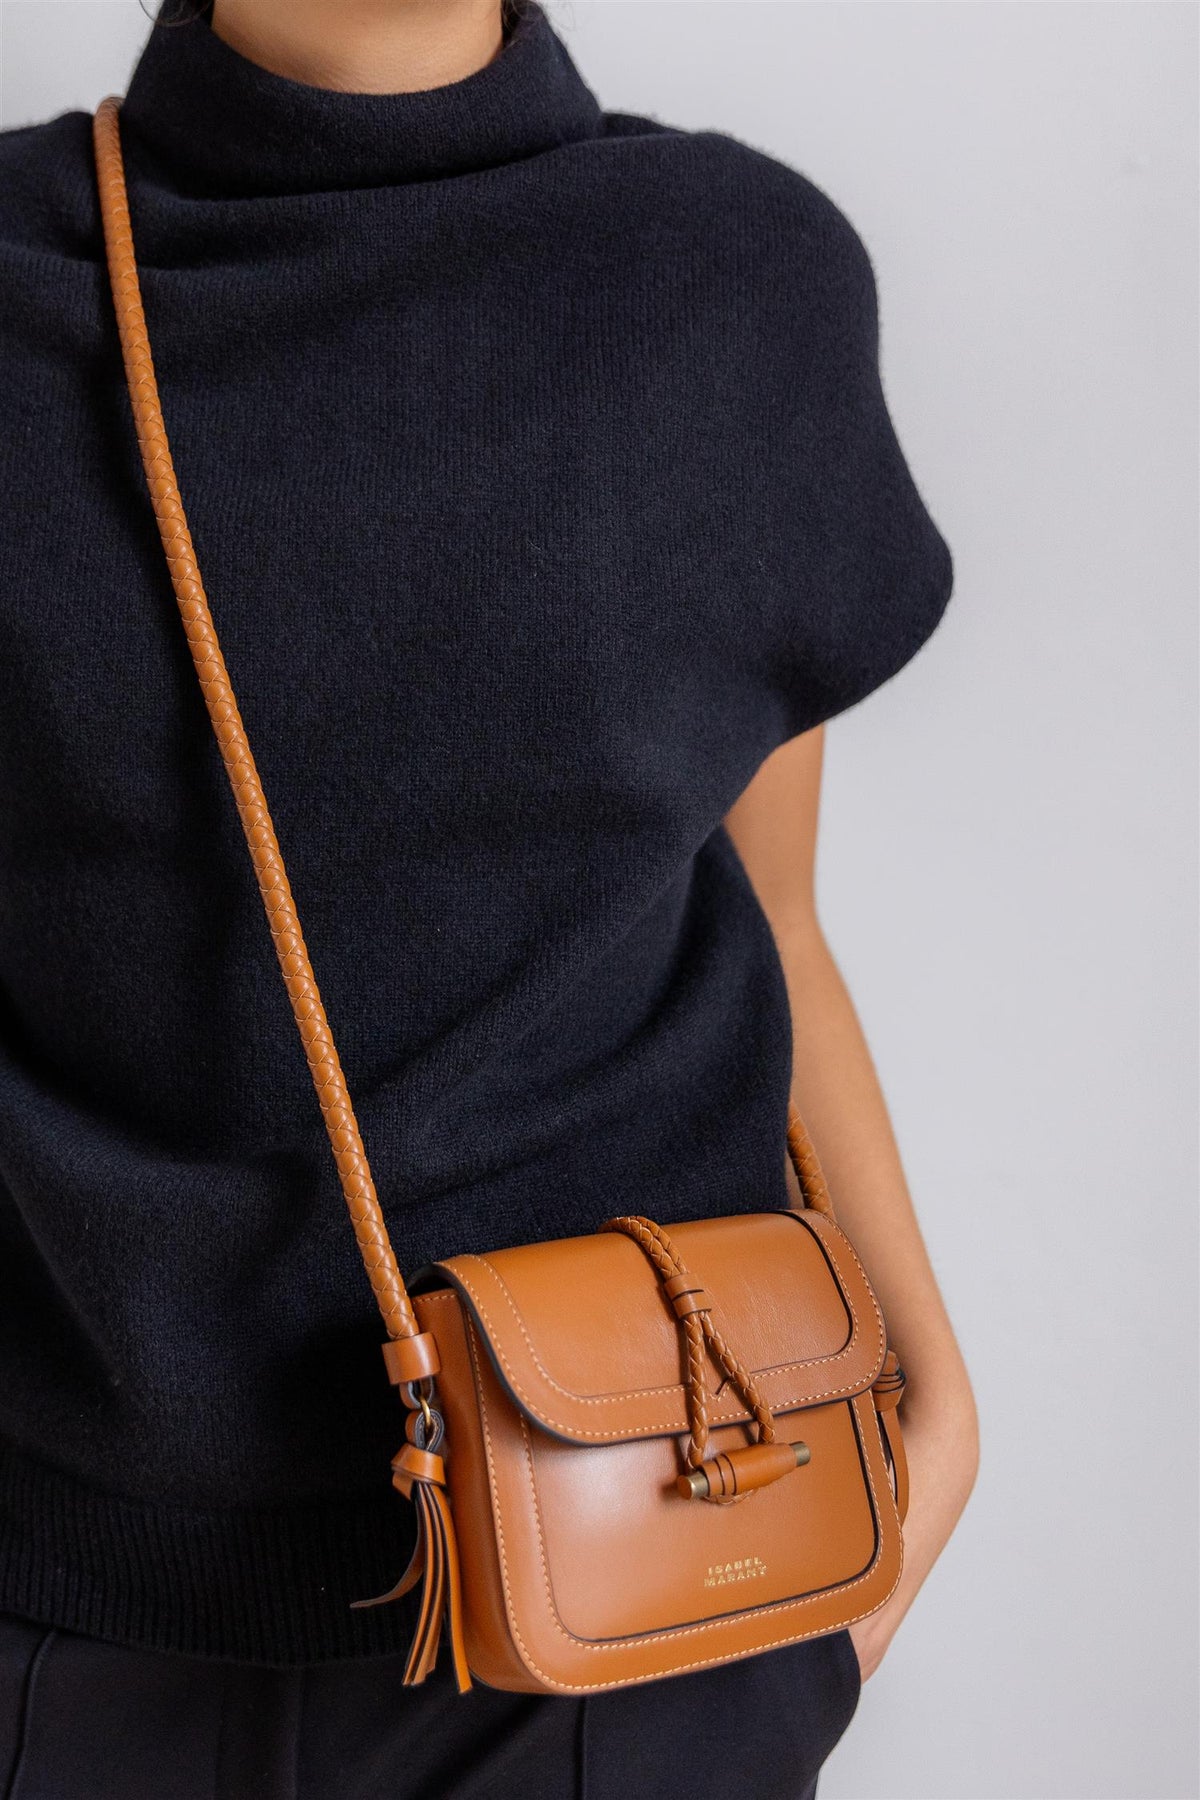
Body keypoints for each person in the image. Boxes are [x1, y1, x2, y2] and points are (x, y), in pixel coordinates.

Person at [0, 0, 979, 1793]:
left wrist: (935, 1401)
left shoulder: (727, 280)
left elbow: (774, 911)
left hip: (640, 1580)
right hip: (51, 1611)